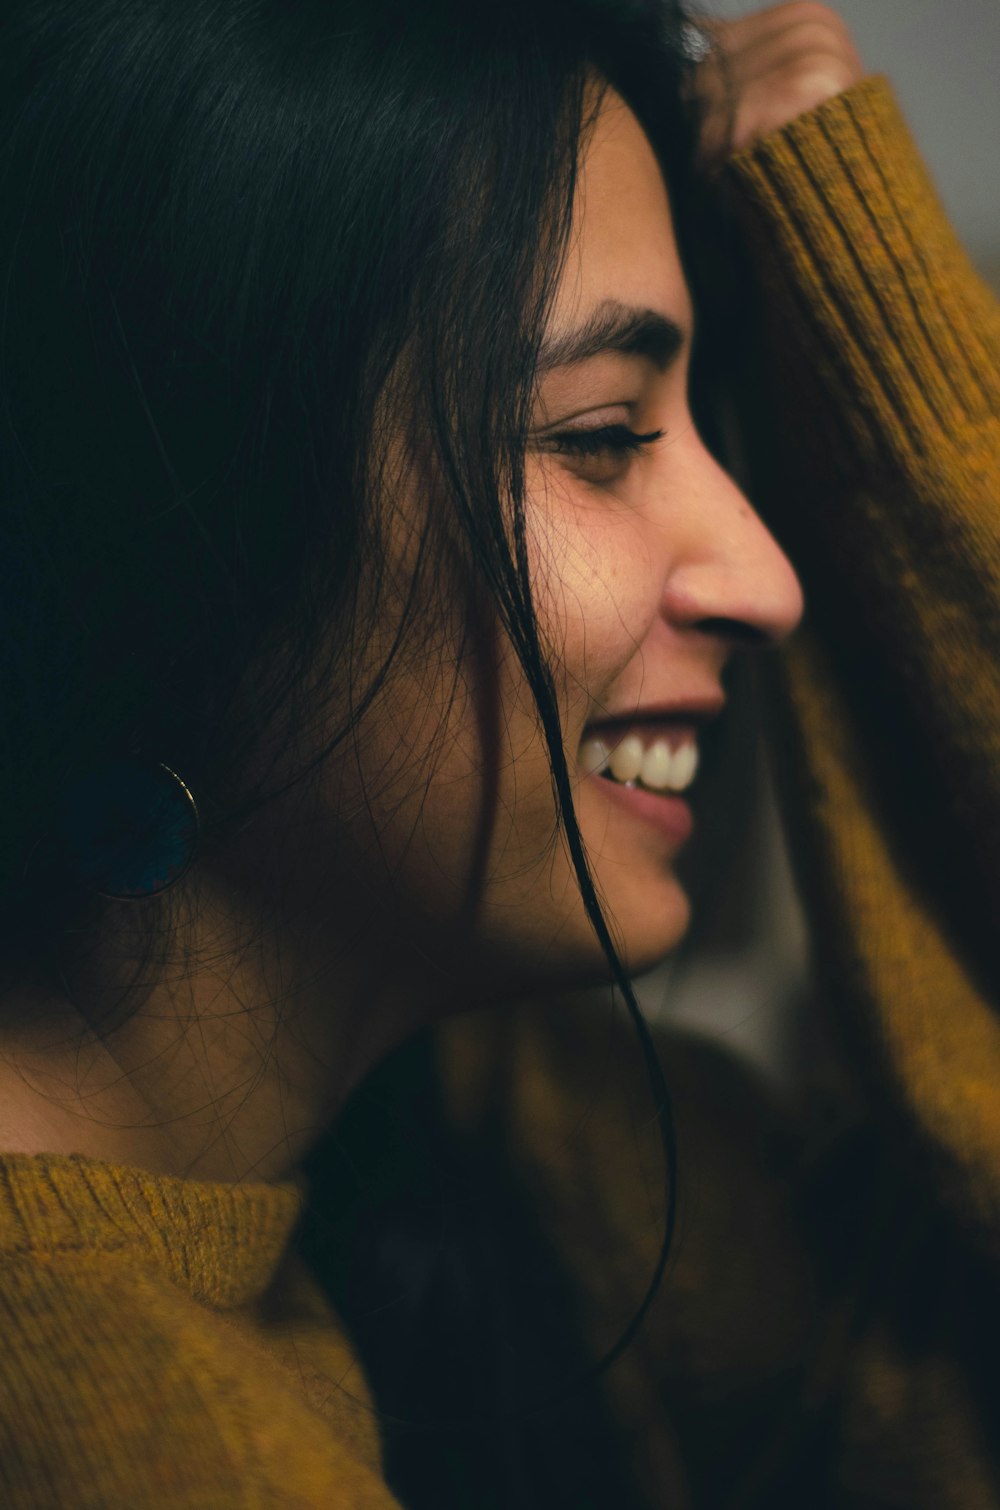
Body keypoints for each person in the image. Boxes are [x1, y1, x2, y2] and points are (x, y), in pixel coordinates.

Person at [0, 0, 997, 1504]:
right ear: (195, 536)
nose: (768, 576)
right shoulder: (117, 1431)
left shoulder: (489, 1146)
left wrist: (864, 310)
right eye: (601, 433)